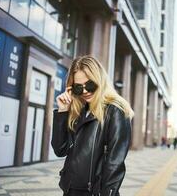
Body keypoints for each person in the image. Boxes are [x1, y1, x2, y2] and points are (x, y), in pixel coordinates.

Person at [51, 55, 134, 196]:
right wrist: (63, 112)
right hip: (70, 189)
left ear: (100, 81)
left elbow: (115, 164)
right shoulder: (79, 111)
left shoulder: (115, 111)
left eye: (89, 84)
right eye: (78, 87)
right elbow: (60, 150)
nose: (84, 91)